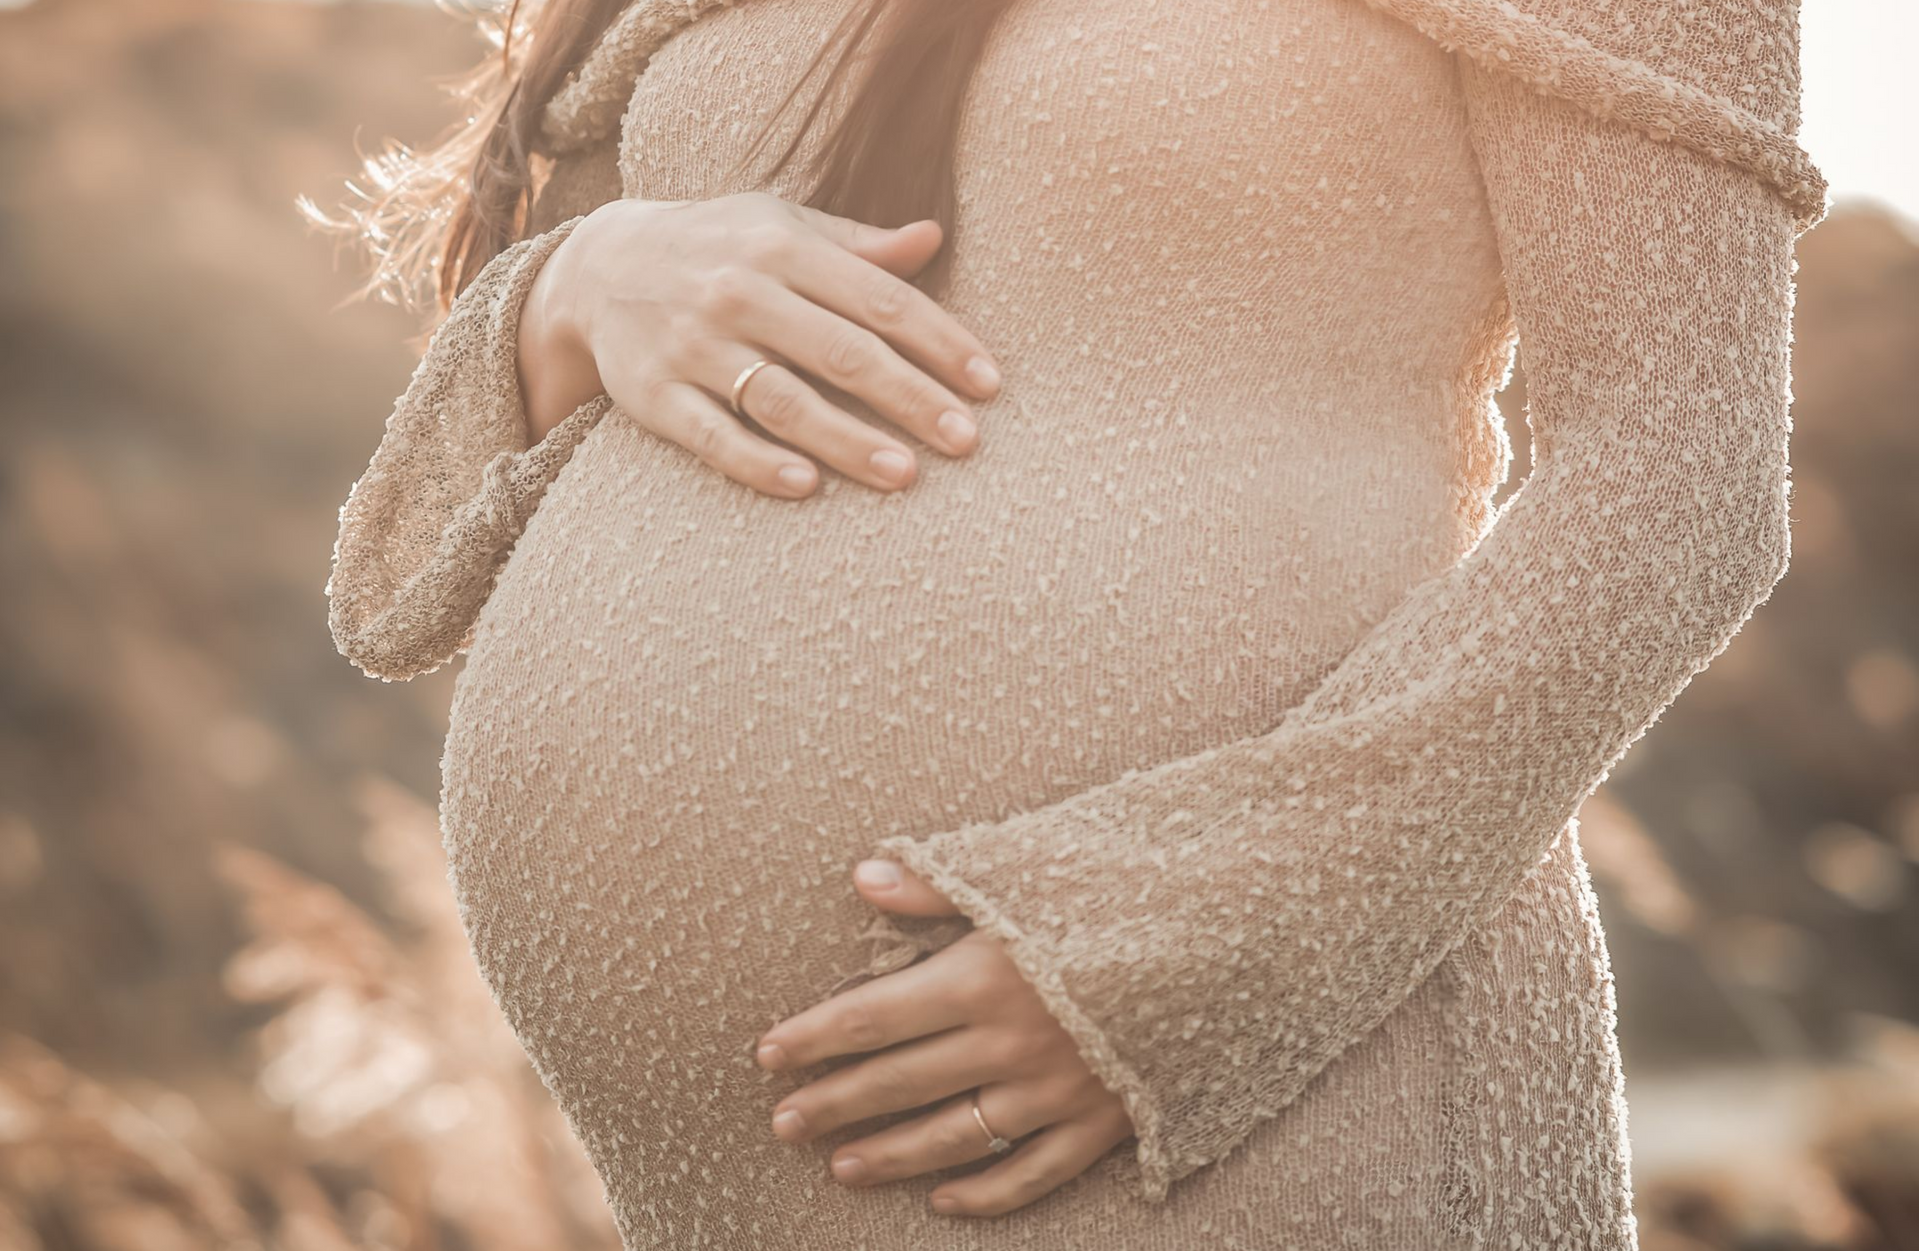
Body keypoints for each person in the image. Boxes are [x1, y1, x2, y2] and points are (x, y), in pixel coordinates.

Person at [321, 0, 1828, 1245]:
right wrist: (572, 289)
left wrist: (1189, 952)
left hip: (1246, 1103)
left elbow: (1676, 483)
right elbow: (411, 564)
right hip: (720, 1191)